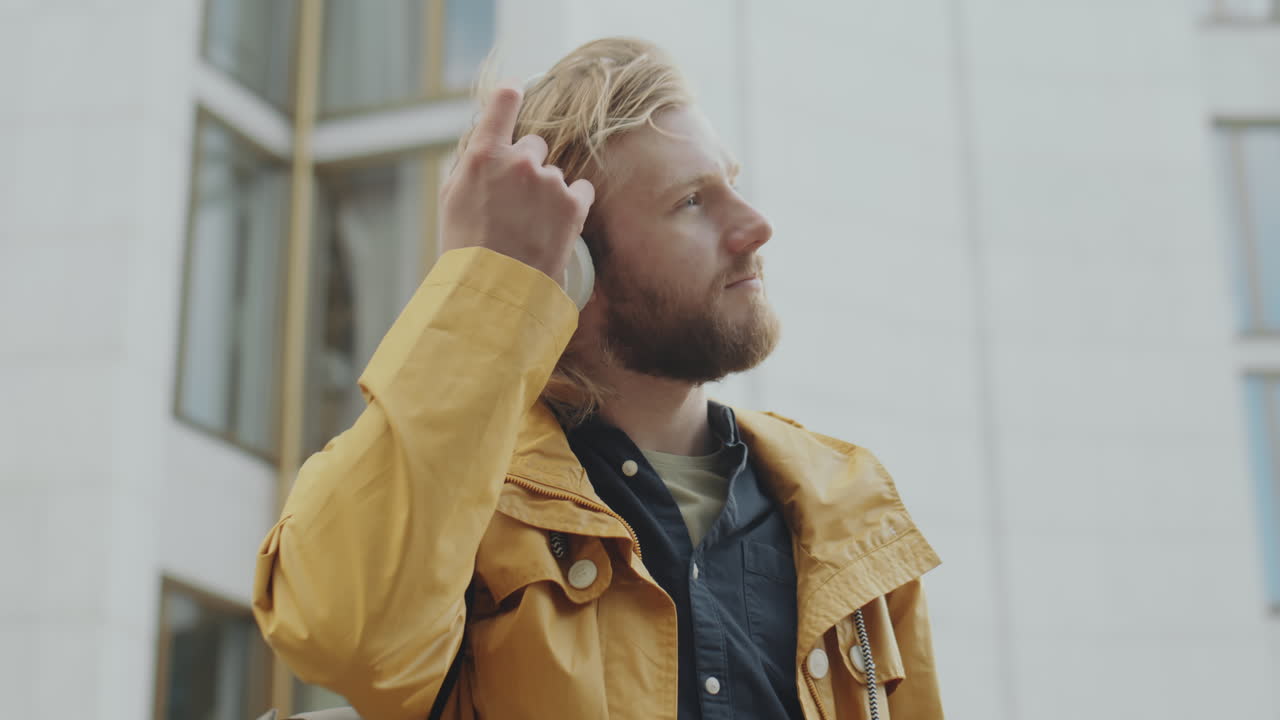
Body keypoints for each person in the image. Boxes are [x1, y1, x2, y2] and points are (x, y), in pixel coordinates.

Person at [253, 37, 944, 720]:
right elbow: (343, 634)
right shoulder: (462, 520)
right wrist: (487, 282)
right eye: (692, 203)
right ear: (571, 269)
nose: (755, 226)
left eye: (729, 183)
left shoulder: (848, 514)